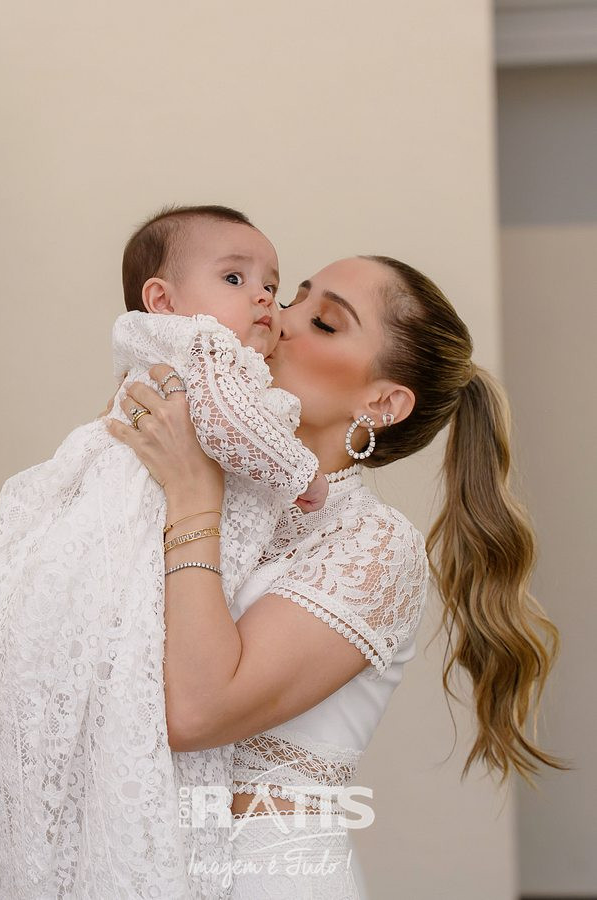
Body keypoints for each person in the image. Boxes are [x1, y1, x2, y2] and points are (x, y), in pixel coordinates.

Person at [108, 253, 566, 897]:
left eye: (324, 322)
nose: (278, 316)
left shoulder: (375, 547)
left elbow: (195, 713)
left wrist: (192, 496)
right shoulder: (207, 482)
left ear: (382, 402)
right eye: (293, 297)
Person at [0, 205, 329, 900]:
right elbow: (230, 423)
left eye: (272, 284)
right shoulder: (206, 351)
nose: (266, 299)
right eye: (235, 278)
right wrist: (300, 473)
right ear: (163, 300)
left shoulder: (159, 350)